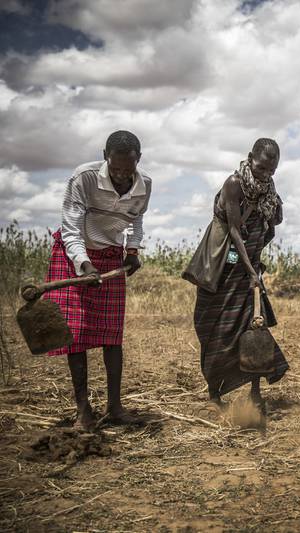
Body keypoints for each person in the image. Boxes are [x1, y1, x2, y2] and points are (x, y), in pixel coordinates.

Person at [43, 130, 151, 430]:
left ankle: (115, 408)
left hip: (110, 257)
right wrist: (84, 264)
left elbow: (136, 219)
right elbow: (71, 228)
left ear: (137, 161)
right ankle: (83, 411)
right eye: (115, 168)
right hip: (73, 256)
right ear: (106, 157)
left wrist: (131, 250)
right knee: (75, 334)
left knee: (111, 335)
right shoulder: (84, 177)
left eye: (127, 170)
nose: (120, 175)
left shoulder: (145, 185)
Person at [183, 138, 288, 408]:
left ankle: (255, 393)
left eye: (271, 171)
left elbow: (269, 227)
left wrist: (255, 263)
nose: (264, 174)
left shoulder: (270, 193)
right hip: (223, 268)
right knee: (213, 329)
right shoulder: (234, 183)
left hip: (248, 268)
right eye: (261, 167)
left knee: (252, 328)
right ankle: (214, 393)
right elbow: (234, 231)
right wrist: (251, 269)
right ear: (250, 157)